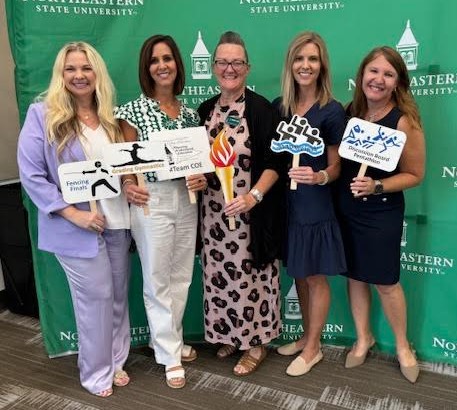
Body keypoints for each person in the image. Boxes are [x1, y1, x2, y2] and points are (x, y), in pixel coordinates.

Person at [17, 42, 131, 397]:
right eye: (71, 69)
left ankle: (116, 360)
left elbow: (124, 168)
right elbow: (32, 174)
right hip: (74, 228)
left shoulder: (111, 117)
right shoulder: (42, 114)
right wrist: (73, 214)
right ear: (61, 75)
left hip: (115, 222)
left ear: (98, 74)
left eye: (86, 68)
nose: (79, 75)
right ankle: (96, 373)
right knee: (95, 299)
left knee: (116, 297)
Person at [115, 34, 206, 389]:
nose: (162, 65)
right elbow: (126, 162)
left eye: (168, 58)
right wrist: (128, 184)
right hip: (152, 199)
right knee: (156, 278)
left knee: (181, 274)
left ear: (177, 64)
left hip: (187, 199)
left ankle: (169, 338)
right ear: (147, 68)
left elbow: (197, 163)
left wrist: (199, 178)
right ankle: (168, 355)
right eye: (155, 60)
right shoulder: (131, 111)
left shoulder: (190, 114)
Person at [334, 46, 425, 383]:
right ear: (362, 76)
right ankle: (363, 338)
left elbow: (415, 174)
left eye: (388, 74)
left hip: (380, 212)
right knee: (355, 276)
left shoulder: (404, 120)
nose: (379, 79)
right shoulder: (349, 113)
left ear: (398, 82)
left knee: (385, 282)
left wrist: (377, 186)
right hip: (347, 209)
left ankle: (402, 346)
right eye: (374, 71)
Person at [198, 31, 283, 376]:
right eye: (222, 62)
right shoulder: (205, 110)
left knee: (253, 279)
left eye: (236, 62)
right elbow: (199, 162)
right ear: (213, 66)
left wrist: (253, 197)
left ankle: (257, 342)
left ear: (247, 68)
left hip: (251, 217)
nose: (229, 68)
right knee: (219, 277)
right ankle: (231, 334)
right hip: (213, 217)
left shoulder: (261, 110)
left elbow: (276, 164)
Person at [272, 32, 347, 376]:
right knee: (298, 274)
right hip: (285, 205)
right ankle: (306, 336)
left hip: (315, 205)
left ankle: (315, 347)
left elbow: (336, 166)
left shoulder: (331, 110)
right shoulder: (279, 107)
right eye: (300, 59)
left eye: (313, 59)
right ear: (291, 64)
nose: (306, 65)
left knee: (315, 276)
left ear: (322, 65)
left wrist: (319, 177)